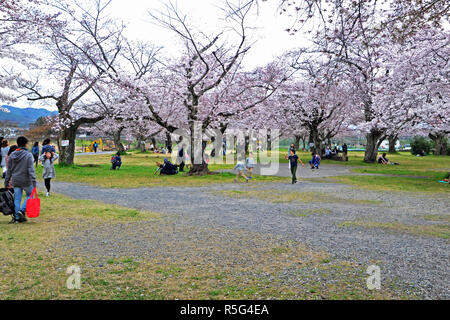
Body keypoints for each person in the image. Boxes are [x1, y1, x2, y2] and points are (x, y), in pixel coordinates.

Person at [4, 136, 37, 223]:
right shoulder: (28, 155)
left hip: (15, 180)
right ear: (26, 144)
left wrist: (6, 182)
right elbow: (31, 169)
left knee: (17, 199)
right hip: (26, 180)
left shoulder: (12, 155)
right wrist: (34, 181)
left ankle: (17, 218)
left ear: (18, 144)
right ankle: (22, 210)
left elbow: (9, 171)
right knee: (30, 195)